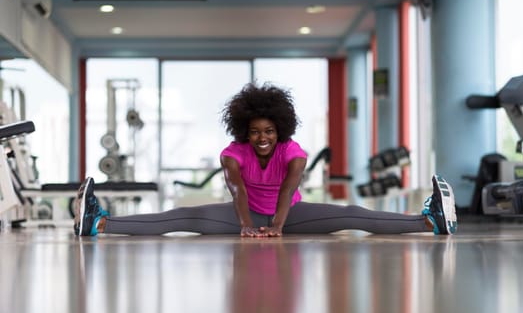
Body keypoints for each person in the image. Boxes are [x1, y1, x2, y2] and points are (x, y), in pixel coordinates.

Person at [74, 83, 458, 237]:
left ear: (280, 131)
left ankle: (430, 221)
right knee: (181, 220)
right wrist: (245, 225)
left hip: (288, 214)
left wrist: (276, 225)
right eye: (256, 131)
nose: (262, 138)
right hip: (243, 215)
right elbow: (237, 187)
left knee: (353, 214)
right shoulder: (232, 153)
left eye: (269, 132)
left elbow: (290, 187)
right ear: (245, 130)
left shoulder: (293, 152)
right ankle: (98, 222)